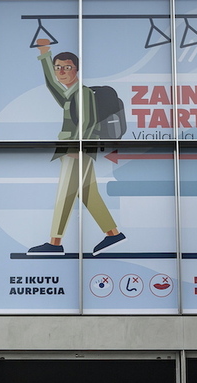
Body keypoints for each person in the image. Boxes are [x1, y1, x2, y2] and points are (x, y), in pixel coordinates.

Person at [26, 39, 125, 257]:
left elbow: (88, 122)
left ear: (77, 70)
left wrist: (78, 147)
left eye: (67, 67)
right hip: (77, 150)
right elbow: (52, 85)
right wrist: (45, 56)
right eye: (58, 67)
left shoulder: (83, 93)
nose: (61, 71)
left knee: (65, 196)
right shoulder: (70, 94)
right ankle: (113, 233)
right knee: (89, 194)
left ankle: (55, 243)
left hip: (76, 151)